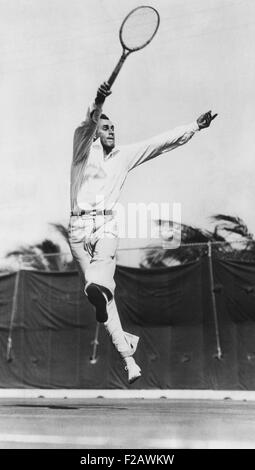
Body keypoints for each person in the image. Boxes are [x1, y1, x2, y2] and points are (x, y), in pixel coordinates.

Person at [68, 81, 217, 384]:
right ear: (96, 131)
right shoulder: (83, 148)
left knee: (99, 282)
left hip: (105, 225)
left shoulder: (124, 155)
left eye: (114, 128)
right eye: (105, 127)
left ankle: (97, 286)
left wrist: (195, 126)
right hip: (77, 230)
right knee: (105, 302)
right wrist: (99, 98)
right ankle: (129, 360)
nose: (111, 131)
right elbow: (89, 118)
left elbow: (158, 143)